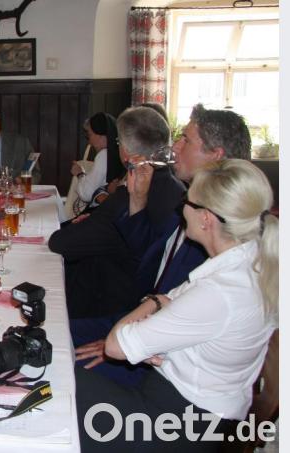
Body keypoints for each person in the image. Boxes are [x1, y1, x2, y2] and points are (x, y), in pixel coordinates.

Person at [77, 159, 278, 452]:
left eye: (187, 201)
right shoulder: (250, 263)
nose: (181, 208)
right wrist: (161, 320)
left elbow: (116, 345)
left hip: (172, 424)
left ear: (206, 218)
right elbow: (180, 312)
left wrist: (153, 301)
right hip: (196, 410)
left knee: (56, 384)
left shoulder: (219, 292)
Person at [74, 104, 253, 385]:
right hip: (142, 322)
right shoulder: (187, 200)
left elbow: (191, 321)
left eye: (186, 140)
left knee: (56, 363)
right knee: (48, 335)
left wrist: (122, 341)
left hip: (164, 362)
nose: (175, 147)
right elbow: (146, 258)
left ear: (215, 155)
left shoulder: (221, 230)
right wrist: (137, 201)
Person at [48, 106, 185, 319]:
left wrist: (94, 222)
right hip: (149, 296)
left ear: (127, 151)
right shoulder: (176, 185)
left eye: (119, 143)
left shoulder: (131, 195)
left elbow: (60, 243)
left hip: (113, 306)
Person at [69, 112, 126, 210]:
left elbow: (86, 194)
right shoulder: (118, 151)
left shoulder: (104, 155)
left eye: (90, 135)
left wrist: (79, 173)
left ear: (101, 135)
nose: (89, 142)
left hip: (102, 211)